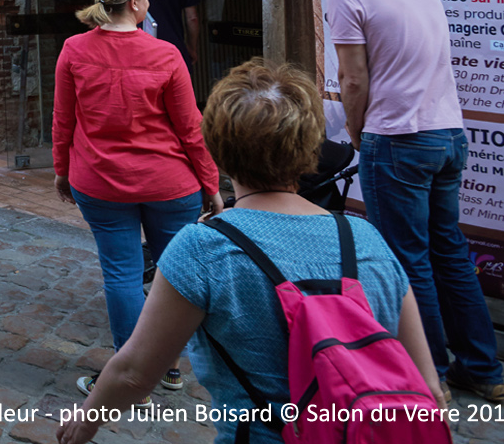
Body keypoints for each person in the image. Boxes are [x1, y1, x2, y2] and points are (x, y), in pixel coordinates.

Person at [57, 62, 443, 444]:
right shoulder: (366, 240)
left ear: (219, 149)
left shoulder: (203, 248)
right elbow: (426, 387)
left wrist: (85, 422)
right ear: (311, 146)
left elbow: (135, 373)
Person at [326, 0, 504, 401]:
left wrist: (358, 129)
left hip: (399, 136)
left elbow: (353, 78)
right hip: (447, 133)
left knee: (409, 261)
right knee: (449, 251)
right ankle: (484, 370)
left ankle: (431, 377)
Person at [52, 0, 223, 396]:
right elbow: (190, 127)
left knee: (122, 275)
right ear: (134, 4)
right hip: (169, 183)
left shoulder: (74, 49)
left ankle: (131, 377)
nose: (148, 1)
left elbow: (63, 120)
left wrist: (60, 170)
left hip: (101, 181)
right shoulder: (165, 55)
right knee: (175, 277)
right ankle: (168, 368)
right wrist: (212, 184)